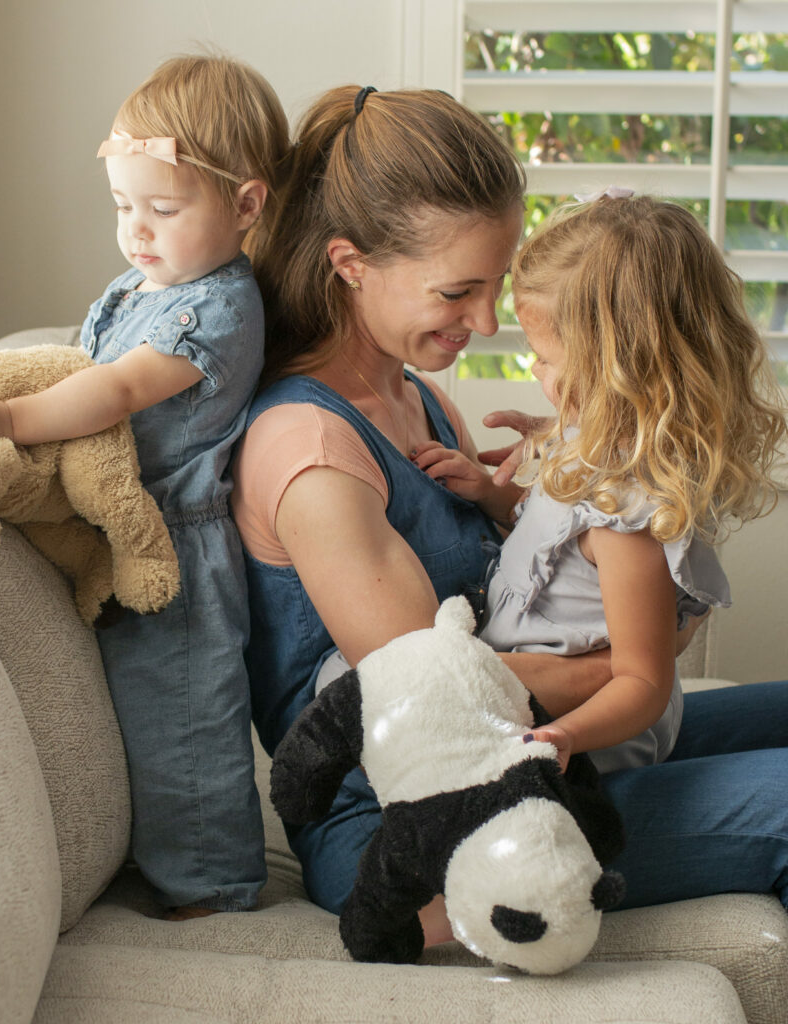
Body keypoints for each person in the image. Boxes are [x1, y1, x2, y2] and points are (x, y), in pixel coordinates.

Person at [231, 84, 788, 947]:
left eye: (494, 285)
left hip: (534, 758)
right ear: (350, 264)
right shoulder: (309, 448)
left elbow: (545, 589)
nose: (485, 322)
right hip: (421, 830)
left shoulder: (417, 400)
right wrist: (638, 656)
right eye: (458, 291)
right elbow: (441, 712)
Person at [0, 54, 291, 918]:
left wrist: (3, 418)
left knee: (182, 715)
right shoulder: (142, 283)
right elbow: (80, 358)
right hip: (115, 529)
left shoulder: (220, 310)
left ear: (246, 206)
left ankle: (212, 878)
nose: (136, 231)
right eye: (122, 206)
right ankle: (151, 853)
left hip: (178, 549)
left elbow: (109, 391)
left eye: (163, 208)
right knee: (130, 717)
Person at [414, 191, 787, 779]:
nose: (535, 371)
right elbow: (564, 555)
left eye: (544, 358)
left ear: (613, 366)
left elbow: (641, 679)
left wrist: (565, 736)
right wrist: (495, 496)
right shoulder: (598, 449)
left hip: (598, 742)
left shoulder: (626, 514)